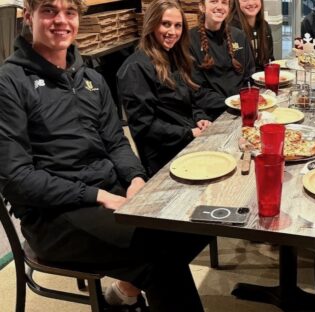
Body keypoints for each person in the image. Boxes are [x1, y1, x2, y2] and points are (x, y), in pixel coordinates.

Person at [0, 0, 211, 311]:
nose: (61, 21)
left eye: (69, 12)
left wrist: (136, 179)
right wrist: (98, 195)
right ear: (29, 17)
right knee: (161, 254)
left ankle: (123, 294)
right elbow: (16, 179)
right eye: (49, 10)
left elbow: (116, 143)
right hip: (52, 216)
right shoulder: (10, 82)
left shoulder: (92, 79)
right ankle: (124, 297)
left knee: (193, 221)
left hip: (109, 194)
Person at [117, 0, 211, 177]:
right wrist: (189, 133)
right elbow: (145, 126)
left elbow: (189, 101)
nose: (172, 32)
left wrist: (200, 117)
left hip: (189, 143)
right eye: (165, 24)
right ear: (151, 24)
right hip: (164, 158)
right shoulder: (135, 68)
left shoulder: (175, 58)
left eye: (178, 26)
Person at [189, 0, 255, 120]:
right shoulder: (190, 40)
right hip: (211, 115)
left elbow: (249, 76)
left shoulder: (239, 36)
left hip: (243, 108)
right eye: (213, 1)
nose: (219, 7)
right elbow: (196, 89)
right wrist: (230, 103)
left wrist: (246, 101)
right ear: (202, 6)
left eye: (224, 2)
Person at [228, 0, 274, 72]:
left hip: (262, 79)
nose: (251, 3)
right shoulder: (232, 30)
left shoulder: (265, 26)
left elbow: (270, 60)